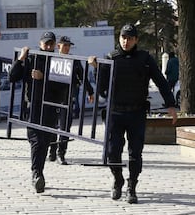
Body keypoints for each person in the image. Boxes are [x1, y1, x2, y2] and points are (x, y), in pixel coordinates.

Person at [89, 24, 177, 204]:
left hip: (136, 112)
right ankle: (118, 180)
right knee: (113, 152)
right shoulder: (110, 58)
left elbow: (160, 81)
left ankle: (132, 187)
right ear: (119, 38)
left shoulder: (145, 58)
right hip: (115, 112)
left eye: (129, 38)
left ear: (136, 40)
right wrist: (97, 68)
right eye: (123, 37)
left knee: (135, 153)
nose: (125, 41)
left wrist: (170, 104)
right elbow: (101, 90)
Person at [9, 31, 60, 193]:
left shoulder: (58, 61)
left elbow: (63, 87)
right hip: (32, 107)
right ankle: (36, 174)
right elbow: (12, 77)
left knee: (44, 142)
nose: (49, 46)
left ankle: (39, 172)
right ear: (40, 44)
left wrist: (43, 77)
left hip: (50, 107)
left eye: (51, 43)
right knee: (36, 140)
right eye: (46, 43)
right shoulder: (31, 58)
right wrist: (21, 58)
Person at [48, 36, 95, 164]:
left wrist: (90, 91)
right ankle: (52, 150)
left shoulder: (74, 60)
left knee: (65, 127)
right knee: (51, 125)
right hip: (52, 97)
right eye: (65, 45)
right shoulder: (51, 59)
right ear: (58, 46)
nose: (67, 48)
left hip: (67, 97)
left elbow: (82, 77)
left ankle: (61, 153)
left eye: (69, 45)